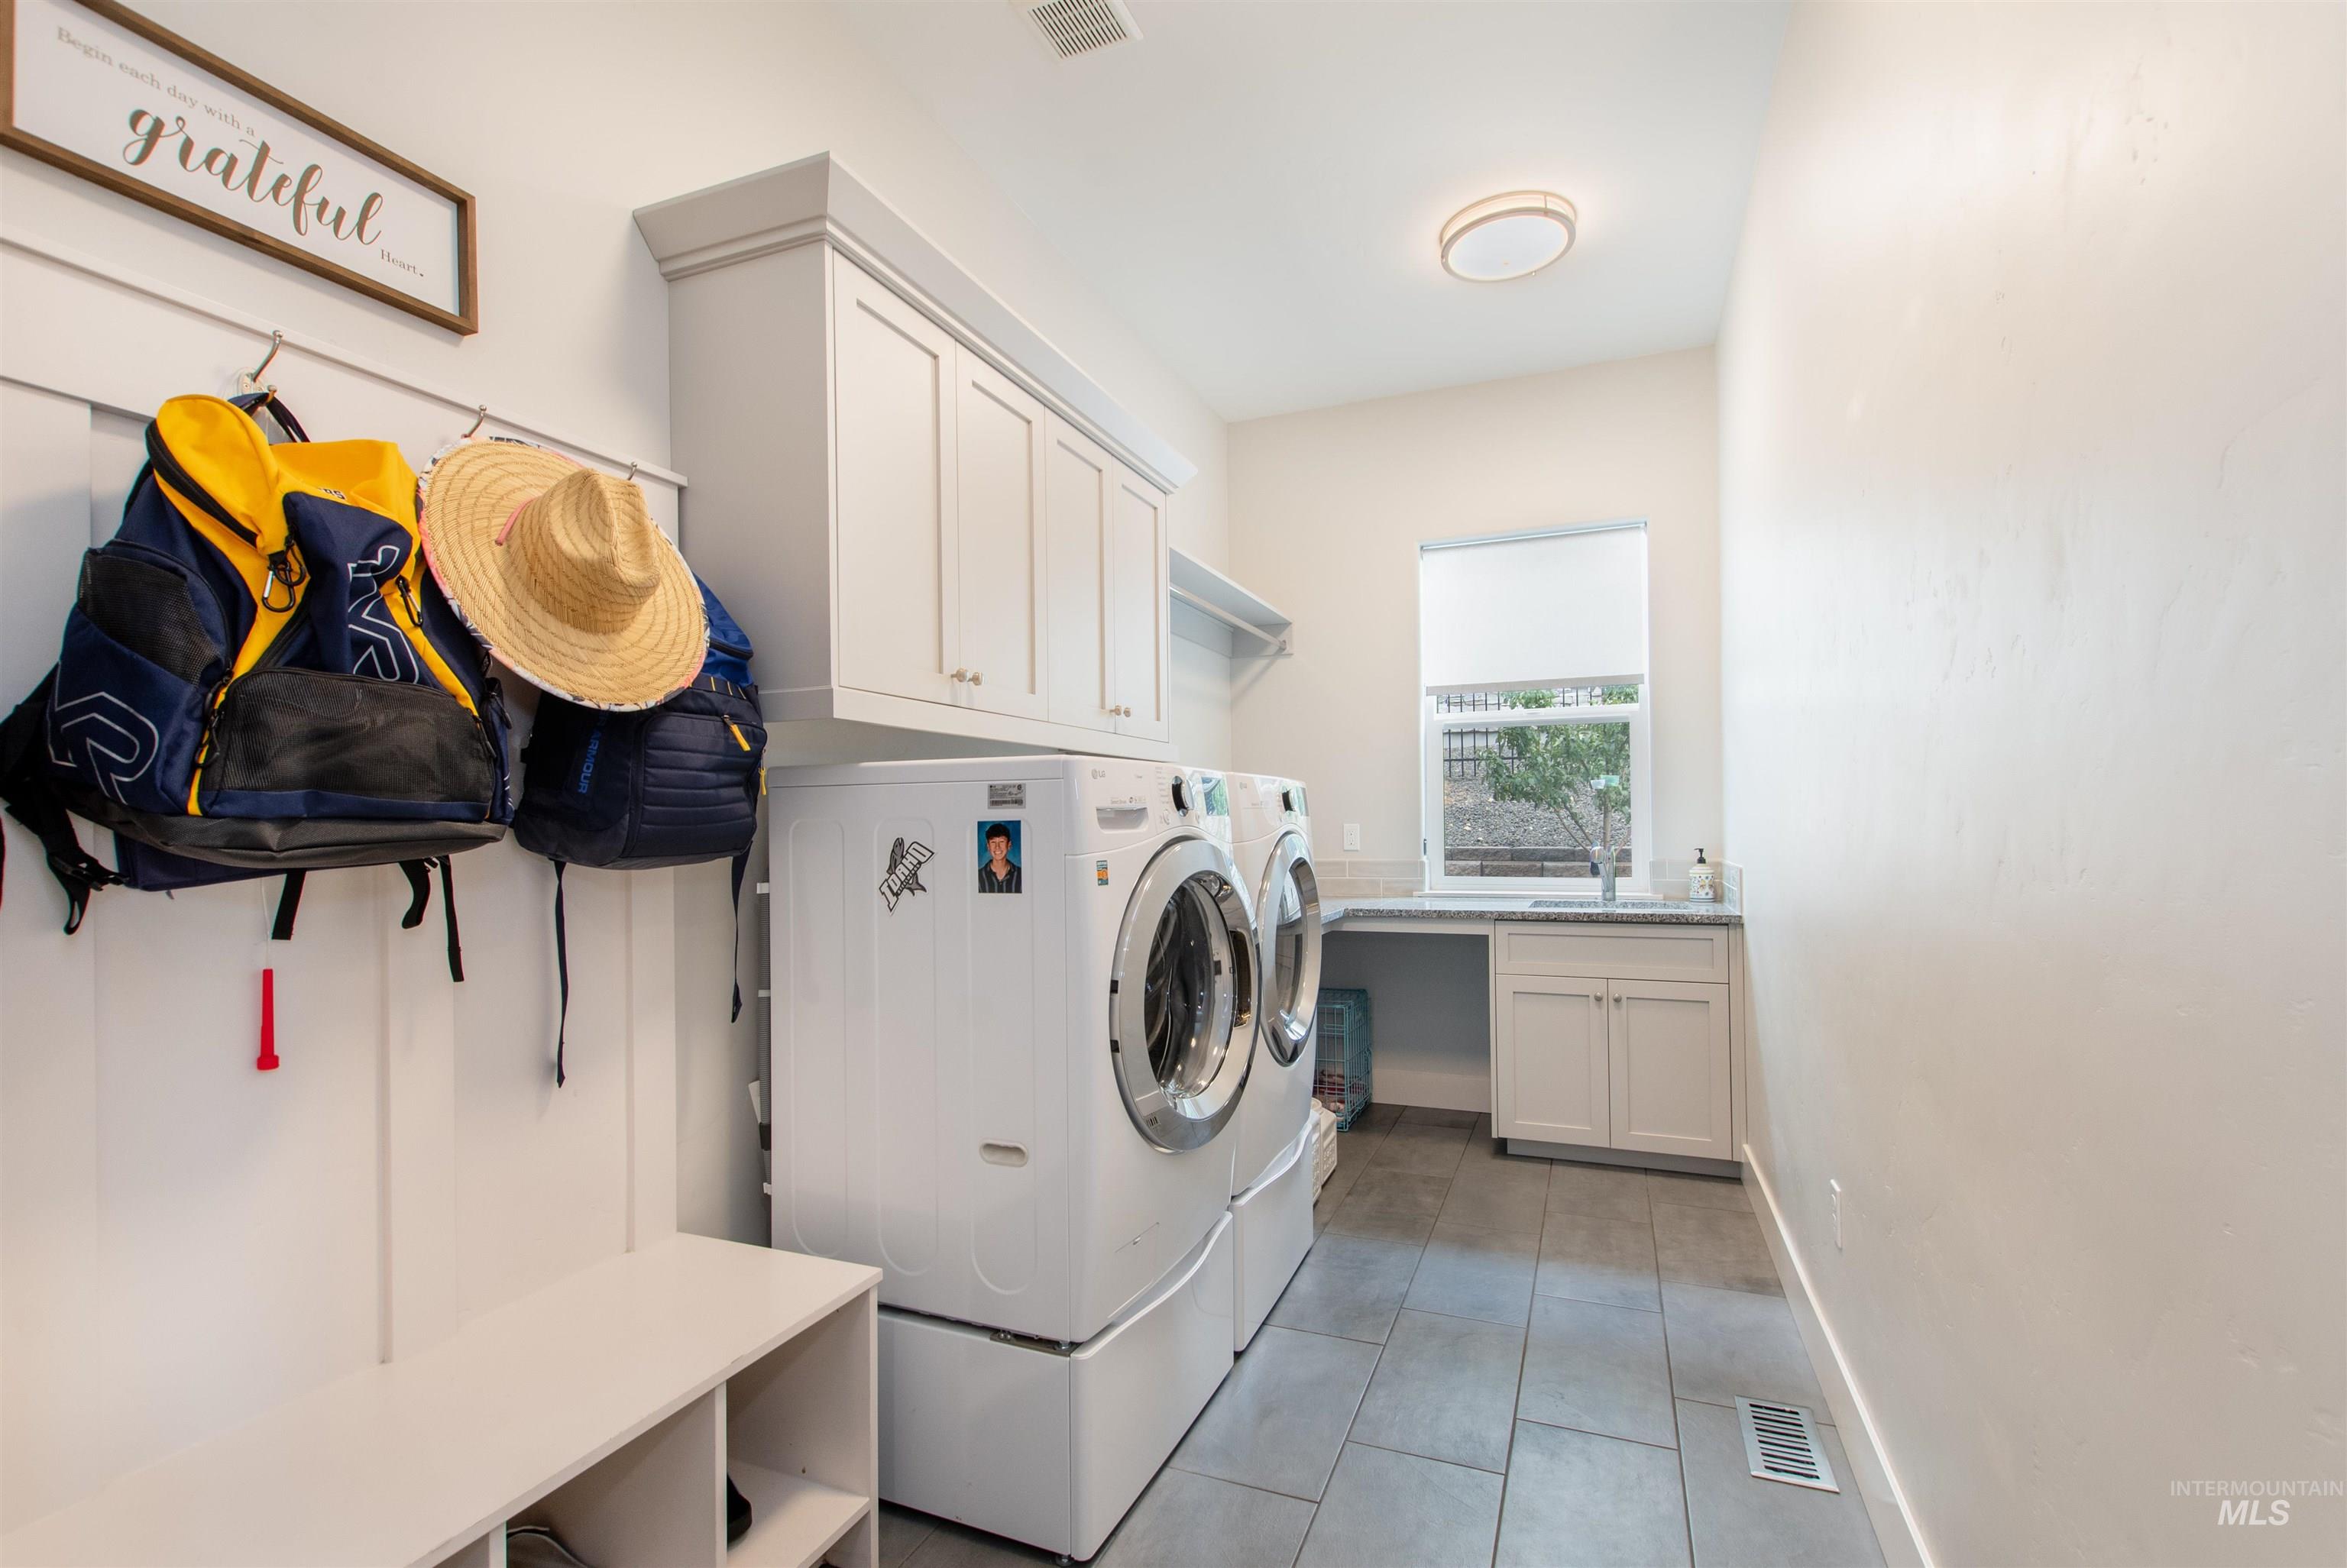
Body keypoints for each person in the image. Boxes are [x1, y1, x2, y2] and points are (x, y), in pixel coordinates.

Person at [979, 822, 1021, 894]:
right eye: (993, 842)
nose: (997, 847)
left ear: (1009, 845)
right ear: (988, 846)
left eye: (1002, 842)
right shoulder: (979, 876)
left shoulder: (1021, 875)